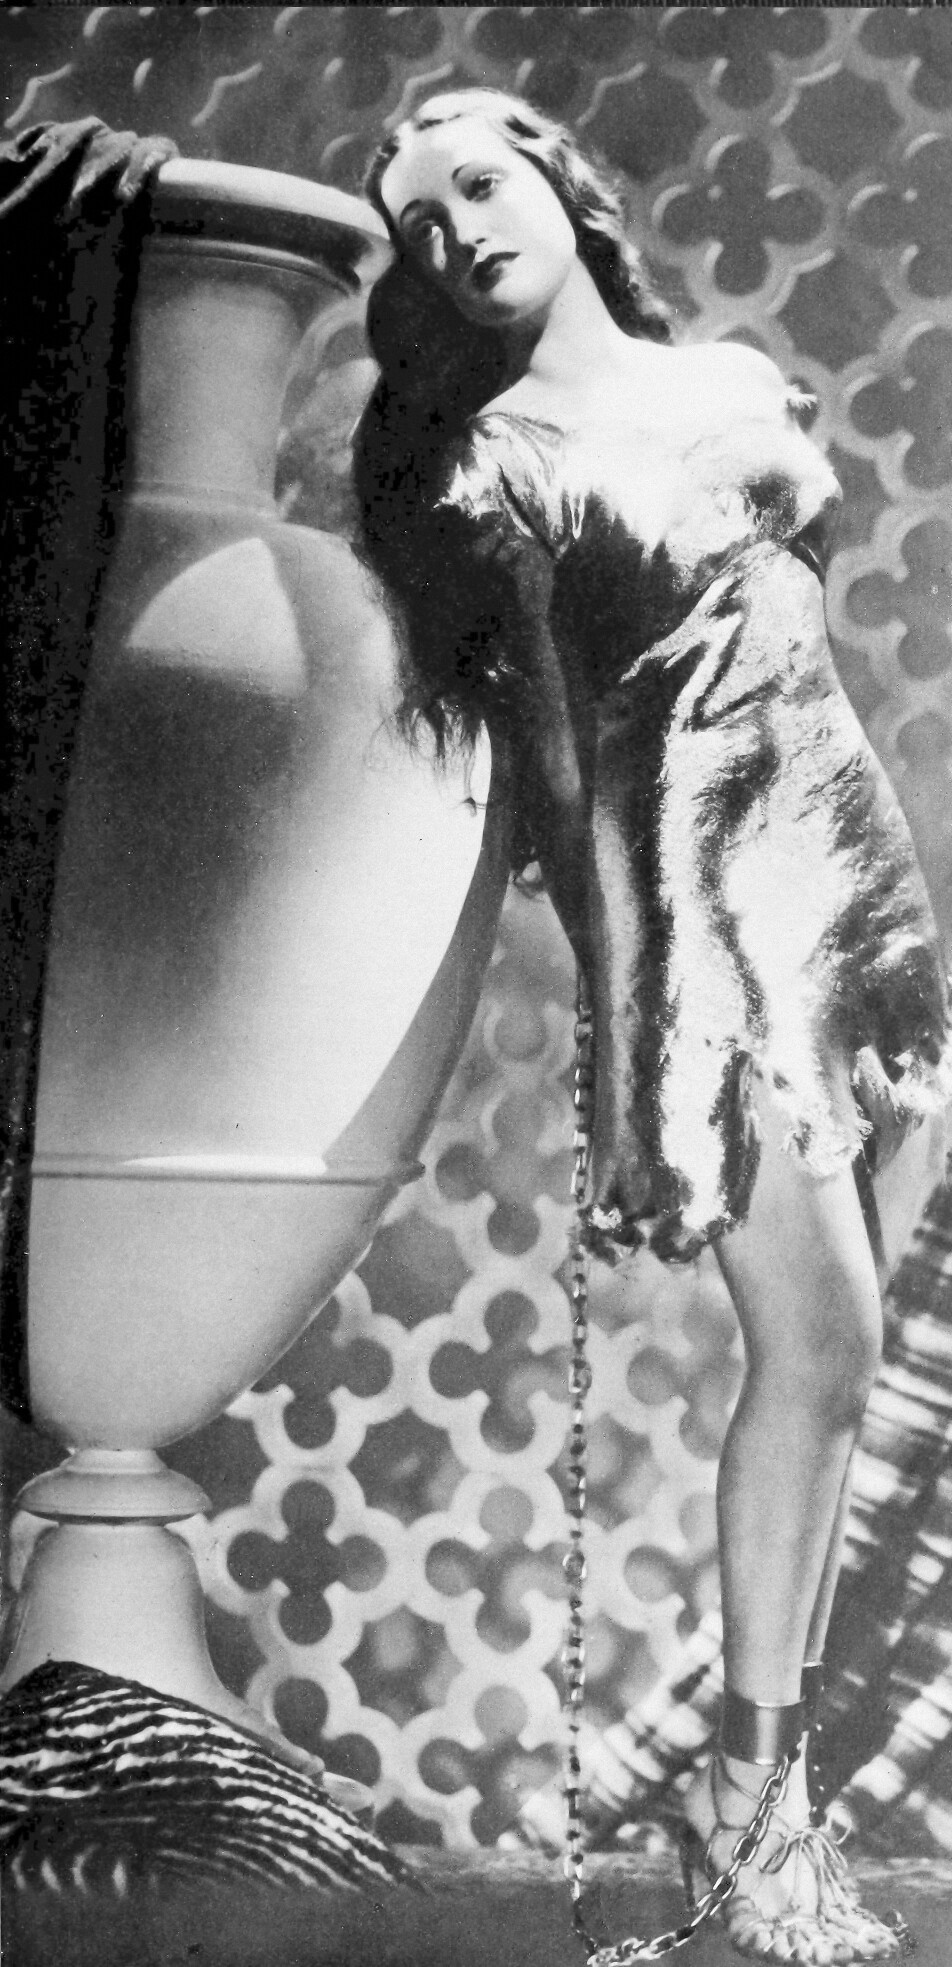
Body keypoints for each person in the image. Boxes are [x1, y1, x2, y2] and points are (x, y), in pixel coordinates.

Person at [353, 88, 951, 1966]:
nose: (457, 230)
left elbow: (789, 650)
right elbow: (557, 775)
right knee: (826, 1342)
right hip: (695, 922)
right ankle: (750, 1809)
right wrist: (638, 1025)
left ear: (559, 179)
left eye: (478, 184)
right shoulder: (490, 464)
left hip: (845, 884)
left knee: (843, 1374)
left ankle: (764, 1798)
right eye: (420, 225)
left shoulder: (739, 382)